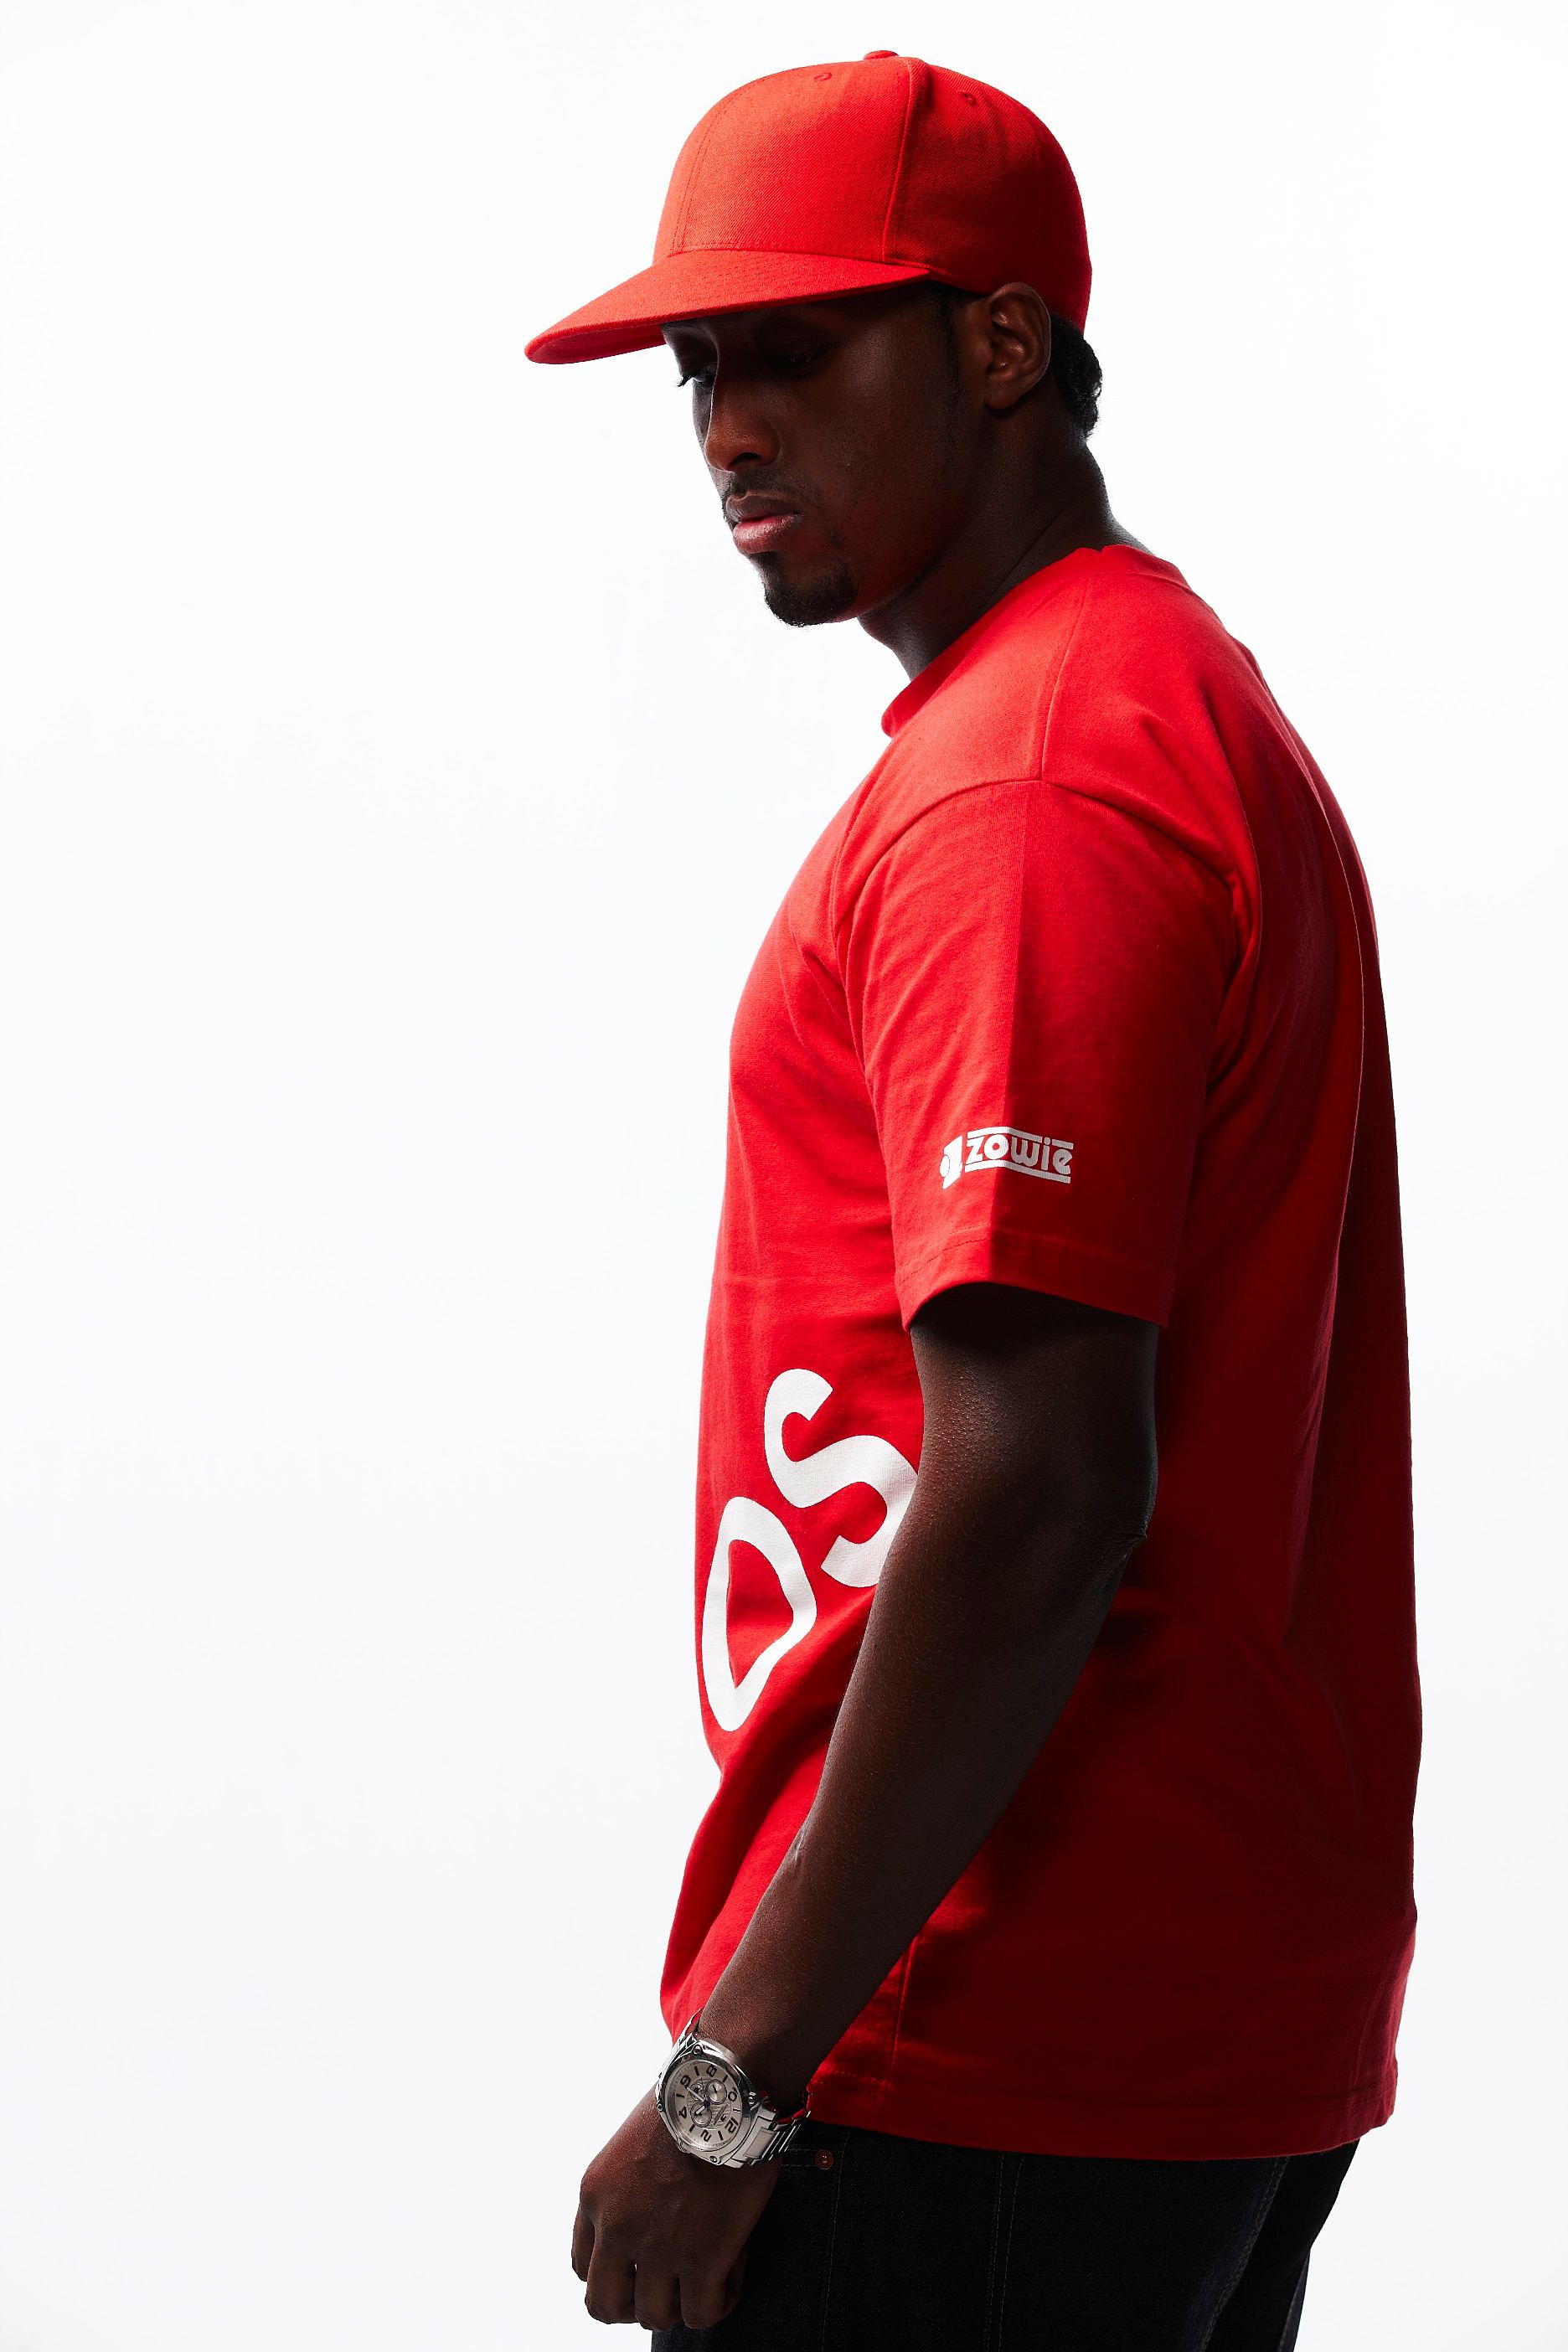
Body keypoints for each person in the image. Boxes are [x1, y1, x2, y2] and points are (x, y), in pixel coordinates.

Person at [527, 51, 1421, 2349]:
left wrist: (731, 2082)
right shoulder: (1150, 702)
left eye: (795, 350)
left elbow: (1038, 1481)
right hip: (1148, 2032)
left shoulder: (1030, 791)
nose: (727, 426)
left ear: (1003, 344)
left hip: (973, 2038)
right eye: (700, 367)